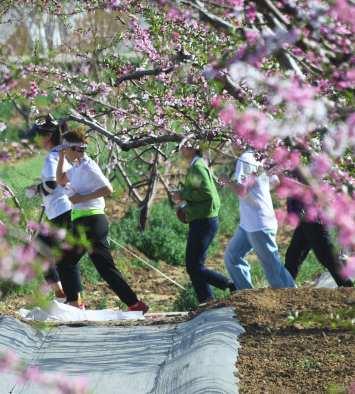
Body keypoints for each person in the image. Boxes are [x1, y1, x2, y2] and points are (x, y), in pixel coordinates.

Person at [54, 129, 149, 313]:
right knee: (106, 269)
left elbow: (108, 188)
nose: (64, 151)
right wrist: (60, 158)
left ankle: (74, 304)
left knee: (65, 260)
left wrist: (81, 198)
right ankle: (136, 304)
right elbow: (60, 179)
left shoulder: (88, 166)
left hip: (91, 221)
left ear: (75, 148)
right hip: (88, 223)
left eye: (65, 148)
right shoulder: (76, 167)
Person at [221, 143, 295, 289]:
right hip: (248, 223)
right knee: (232, 257)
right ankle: (247, 296)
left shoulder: (245, 159)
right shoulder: (260, 157)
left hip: (258, 224)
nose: (231, 141)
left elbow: (241, 190)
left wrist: (226, 180)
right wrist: (256, 194)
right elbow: (275, 181)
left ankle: (294, 301)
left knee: (274, 271)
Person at [169, 136, 233, 303]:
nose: (182, 147)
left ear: (196, 148)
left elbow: (207, 194)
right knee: (194, 267)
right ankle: (207, 303)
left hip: (204, 222)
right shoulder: (197, 165)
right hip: (202, 220)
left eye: (186, 145)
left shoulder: (197, 167)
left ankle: (230, 285)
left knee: (194, 267)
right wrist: (186, 204)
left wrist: (181, 194)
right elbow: (201, 193)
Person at [23, 116, 76, 303]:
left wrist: (37, 189)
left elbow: (52, 183)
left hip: (62, 211)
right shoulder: (60, 154)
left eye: (38, 135)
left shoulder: (53, 156)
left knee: (46, 255)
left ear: (48, 136)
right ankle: (64, 295)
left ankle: (68, 297)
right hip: (62, 211)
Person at [283, 172, 354, 288]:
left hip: (312, 212)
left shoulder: (308, 159)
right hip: (304, 212)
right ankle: (284, 289)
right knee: (294, 255)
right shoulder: (295, 159)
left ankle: (349, 289)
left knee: (327, 256)